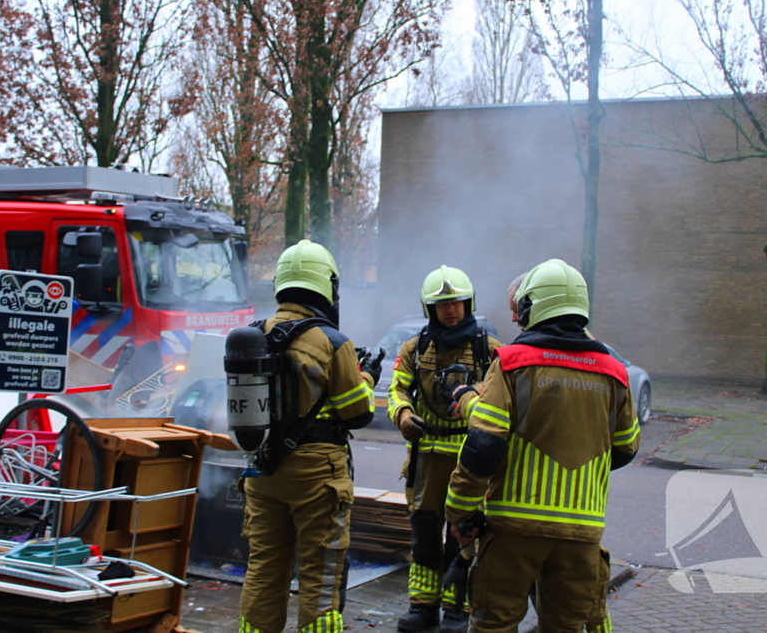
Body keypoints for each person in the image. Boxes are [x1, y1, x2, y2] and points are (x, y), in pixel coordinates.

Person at [446, 259, 640, 633]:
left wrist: (460, 510)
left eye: (521, 308)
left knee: (494, 625)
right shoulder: (614, 372)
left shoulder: (513, 363)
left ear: (534, 306)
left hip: (512, 532)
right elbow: (625, 448)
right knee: (566, 626)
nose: (516, 317)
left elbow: (483, 446)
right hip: (580, 535)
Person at [237, 240, 382, 633]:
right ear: (327, 286)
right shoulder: (332, 341)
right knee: (320, 575)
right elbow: (357, 413)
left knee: (264, 568)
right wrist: (367, 377)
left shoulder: (255, 334)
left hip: (262, 470)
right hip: (316, 476)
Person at [387, 265, 503, 633]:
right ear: (430, 308)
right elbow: (397, 389)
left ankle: (457, 609)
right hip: (426, 458)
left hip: (470, 459)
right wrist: (403, 415)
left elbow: (502, 400)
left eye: (456, 303)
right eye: (442, 305)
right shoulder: (415, 347)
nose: (450, 310)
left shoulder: (490, 349)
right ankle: (423, 607)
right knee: (424, 532)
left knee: (463, 531)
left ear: (469, 304)